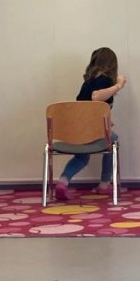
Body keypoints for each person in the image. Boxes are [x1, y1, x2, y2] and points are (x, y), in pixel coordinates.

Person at [53, 48, 126, 203]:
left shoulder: (87, 83)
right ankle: (104, 183)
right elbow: (96, 97)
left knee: (82, 157)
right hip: (91, 133)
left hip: (77, 132)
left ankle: (63, 181)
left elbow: (86, 110)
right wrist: (119, 85)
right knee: (113, 140)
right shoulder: (105, 80)